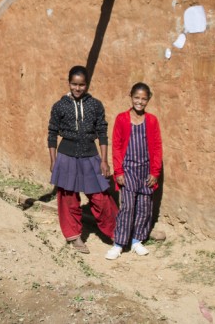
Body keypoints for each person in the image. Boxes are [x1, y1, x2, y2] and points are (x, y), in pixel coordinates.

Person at [48, 66, 119, 254]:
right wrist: (53, 160)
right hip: (66, 156)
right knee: (68, 198)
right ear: (69, 83)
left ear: (87, 84)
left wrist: (104, 160)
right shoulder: (60, 106)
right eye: (74, 84)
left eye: (81, 85)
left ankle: (117, 232)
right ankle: (74, 236)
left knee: (101, 197)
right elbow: (52, 133)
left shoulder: (95, 105)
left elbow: (102, 133)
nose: (77, 88)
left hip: (90, 155)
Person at [105, 82, 163, 260]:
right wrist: (118, 171)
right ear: (131, 97)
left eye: (144, 99)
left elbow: (156, 147)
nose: (140, 101)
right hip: (128, 170)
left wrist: (155, 172)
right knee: (128, 207)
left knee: (144, 208)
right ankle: (119, 244)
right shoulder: (122, 119)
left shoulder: (152, 120)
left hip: (146, 171)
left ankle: (137, 240)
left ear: (148, 100)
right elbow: (116, 145)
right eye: (137, 97)